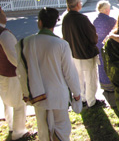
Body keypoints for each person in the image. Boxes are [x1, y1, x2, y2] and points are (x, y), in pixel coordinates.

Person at [16, 8, 81, 141]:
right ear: (55, 23)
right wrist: (77, 94)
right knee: (62, 130)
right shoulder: (61, 44)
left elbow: (20, 70)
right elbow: (70, 73)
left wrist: (26, 93)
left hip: (38, 94)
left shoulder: (24, 44)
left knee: (44, 130)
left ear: (39, 23)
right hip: (58, 95)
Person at [0, 7, 36, 140]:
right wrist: (26, 68)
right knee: (19, 104)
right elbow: (13, 57)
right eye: (3, 13)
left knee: (7, 102)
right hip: (11, 74)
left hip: (2, 72)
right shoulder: (4, 34)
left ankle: (11, 125)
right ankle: (19, 133)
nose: (5, 15)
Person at [62, 0, 100, 108]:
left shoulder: (66, 18)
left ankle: (82, 99)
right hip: (85, 53)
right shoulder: (82, 19)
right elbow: (93, 37)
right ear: (77, 4)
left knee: (78, 78)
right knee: (90, 79)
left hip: (73, 53)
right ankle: (91, 101)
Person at [93, 0, 117, 92]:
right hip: (108, 45)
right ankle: (111, 85)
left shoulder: (95, 20)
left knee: (102, 65)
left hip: (98, 46)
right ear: (106, 10)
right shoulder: (111, 20)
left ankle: (104, 85)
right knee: (110, 64)